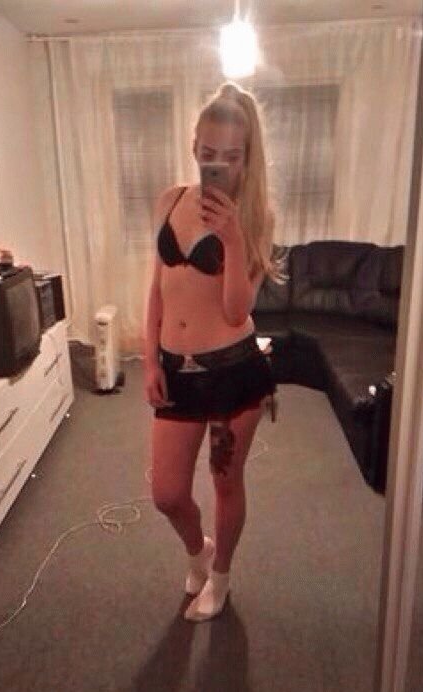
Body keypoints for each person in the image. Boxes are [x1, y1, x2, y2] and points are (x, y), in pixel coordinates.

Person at [144, 81, 277, 622]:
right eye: (207, 153)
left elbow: (236, 312)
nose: (217, 164)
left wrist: (234, 239)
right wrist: (150, 359)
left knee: (225, 481)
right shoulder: (170, 200)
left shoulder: (255, 217)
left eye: (231, 156)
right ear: (193, 147)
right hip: (176, 371)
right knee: (167, 493)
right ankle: (198, 551)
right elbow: (156, 289)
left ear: (247, 158)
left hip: (231, 375)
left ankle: (220, 576)